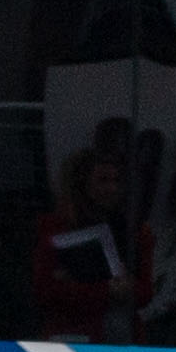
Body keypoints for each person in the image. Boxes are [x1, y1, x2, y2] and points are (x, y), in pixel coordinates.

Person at [25, 135, 147, 338]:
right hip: (71, 334)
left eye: (116, 181)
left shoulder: (135, 230)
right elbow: (44, 290)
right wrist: (104, 291)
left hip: (120, 333)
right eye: (103, 180)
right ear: (82, 184)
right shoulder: (56, 228)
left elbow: (145, 291)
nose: (112, 189)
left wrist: (128, 289)